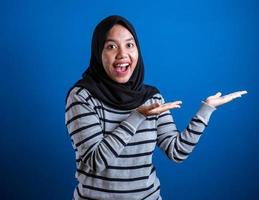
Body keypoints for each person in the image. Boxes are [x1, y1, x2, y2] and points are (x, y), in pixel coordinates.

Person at [65, 15, 247, 200]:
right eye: (111, 46)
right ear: (98, 53)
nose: (122, 54)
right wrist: (137, 116)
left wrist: (206, 109)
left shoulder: (152, 98)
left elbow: (177, 151)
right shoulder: (82, 97)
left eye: (129, 45)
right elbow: (96, 161)